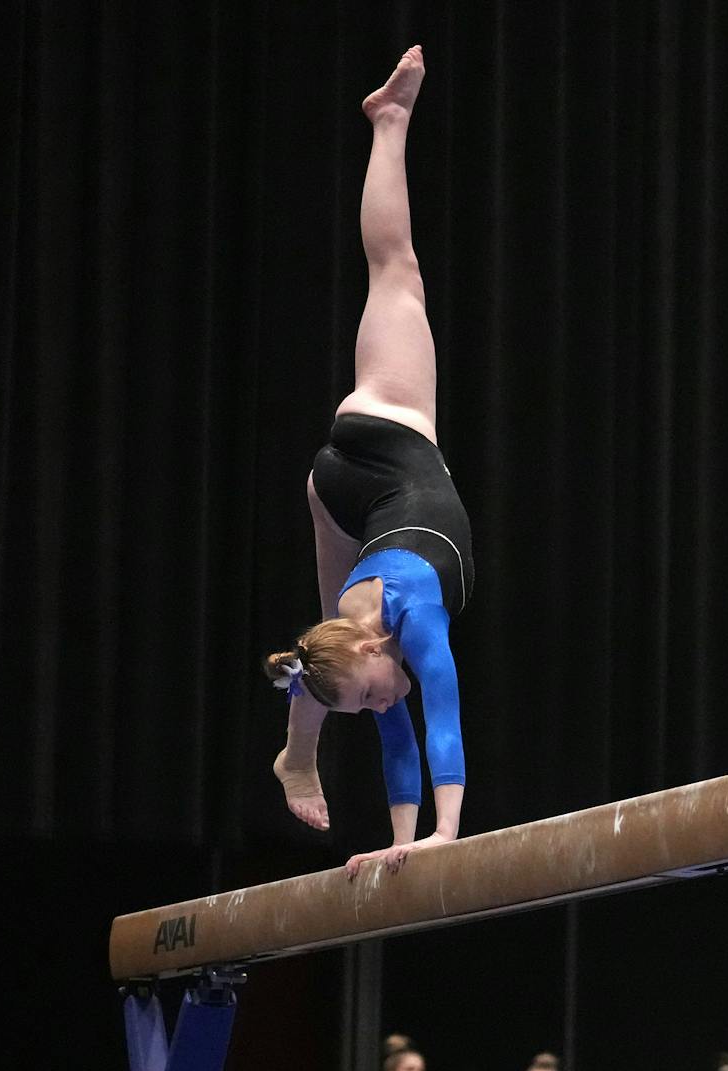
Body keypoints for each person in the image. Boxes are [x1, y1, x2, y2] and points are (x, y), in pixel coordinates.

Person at [263, 44, 475, 881]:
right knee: (316, 655)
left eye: (372, 691)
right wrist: (398, 845)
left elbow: (444, 722)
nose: (385, 703)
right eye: (369, 703)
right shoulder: (367, 654)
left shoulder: (411, 615)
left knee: (398, 272)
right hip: (343, 501)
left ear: (379, 641)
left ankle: (390, 123)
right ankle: (297, 753)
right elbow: (395, 732)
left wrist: (446, 836)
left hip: (386, 441)